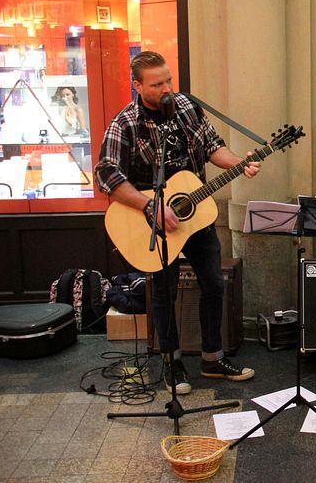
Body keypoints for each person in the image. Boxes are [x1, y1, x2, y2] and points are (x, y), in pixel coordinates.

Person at [95, 51, 259, 394]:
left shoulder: (186, 107)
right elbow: (106, 174)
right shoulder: (125, 123)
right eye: (157, 84)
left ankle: (213, 358)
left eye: (169, 79)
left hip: (194, 216)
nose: (167, 87)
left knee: (214, 284)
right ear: (138, 86)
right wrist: (149, 205)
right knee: (163, 293)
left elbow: (213, 147)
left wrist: (239, 162)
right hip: (151, 222)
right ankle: (171, 362)